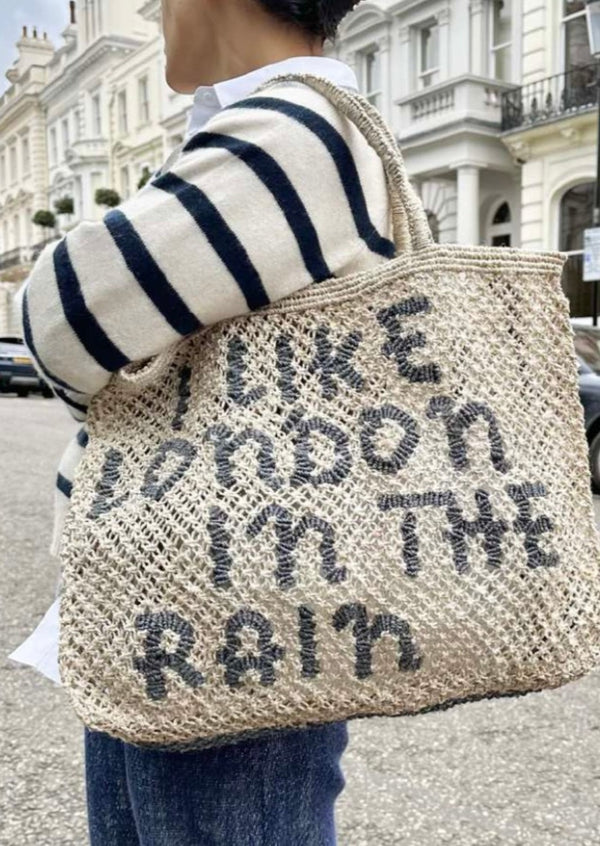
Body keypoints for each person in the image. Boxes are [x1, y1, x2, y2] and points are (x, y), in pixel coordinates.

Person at [16, 0, 395, 843]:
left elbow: (59, 320)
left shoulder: (291, 135)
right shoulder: (280, 131)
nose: (156, 15)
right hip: (196, 610)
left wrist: (125, 379)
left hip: (222, 625)